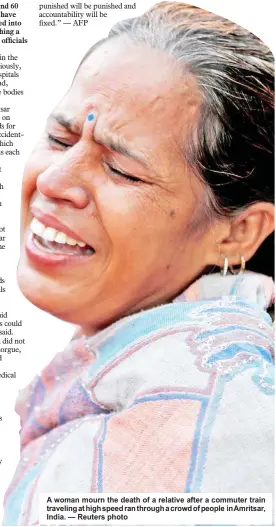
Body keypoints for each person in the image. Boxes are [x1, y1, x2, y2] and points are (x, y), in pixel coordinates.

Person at [3, 2, 274, 525]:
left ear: (239, 232)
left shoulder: (214, 424)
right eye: (60, 138)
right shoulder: (133, 372)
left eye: (122, 170)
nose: (55, 181)